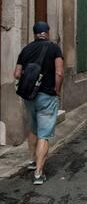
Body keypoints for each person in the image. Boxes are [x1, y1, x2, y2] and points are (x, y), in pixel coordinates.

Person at [14, 22, 64, 185]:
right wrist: (57, 90)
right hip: (47, 96)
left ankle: (33, 160)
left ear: (34, 33)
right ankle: (38, 174)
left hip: (29, 97)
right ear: (47, 33)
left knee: (33, 128)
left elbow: (16, 74)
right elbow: (59, 72)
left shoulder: (26, 50)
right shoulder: (54, 48)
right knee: (44, 133)